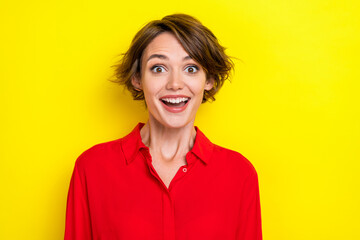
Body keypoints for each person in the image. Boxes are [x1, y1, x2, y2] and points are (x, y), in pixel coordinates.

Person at [65, 14, 262, 240]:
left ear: (208, 80)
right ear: (137, 78)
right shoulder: (92, 169)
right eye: (159, 68)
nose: (175, 84)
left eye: (191, 68)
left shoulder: (239, 175)